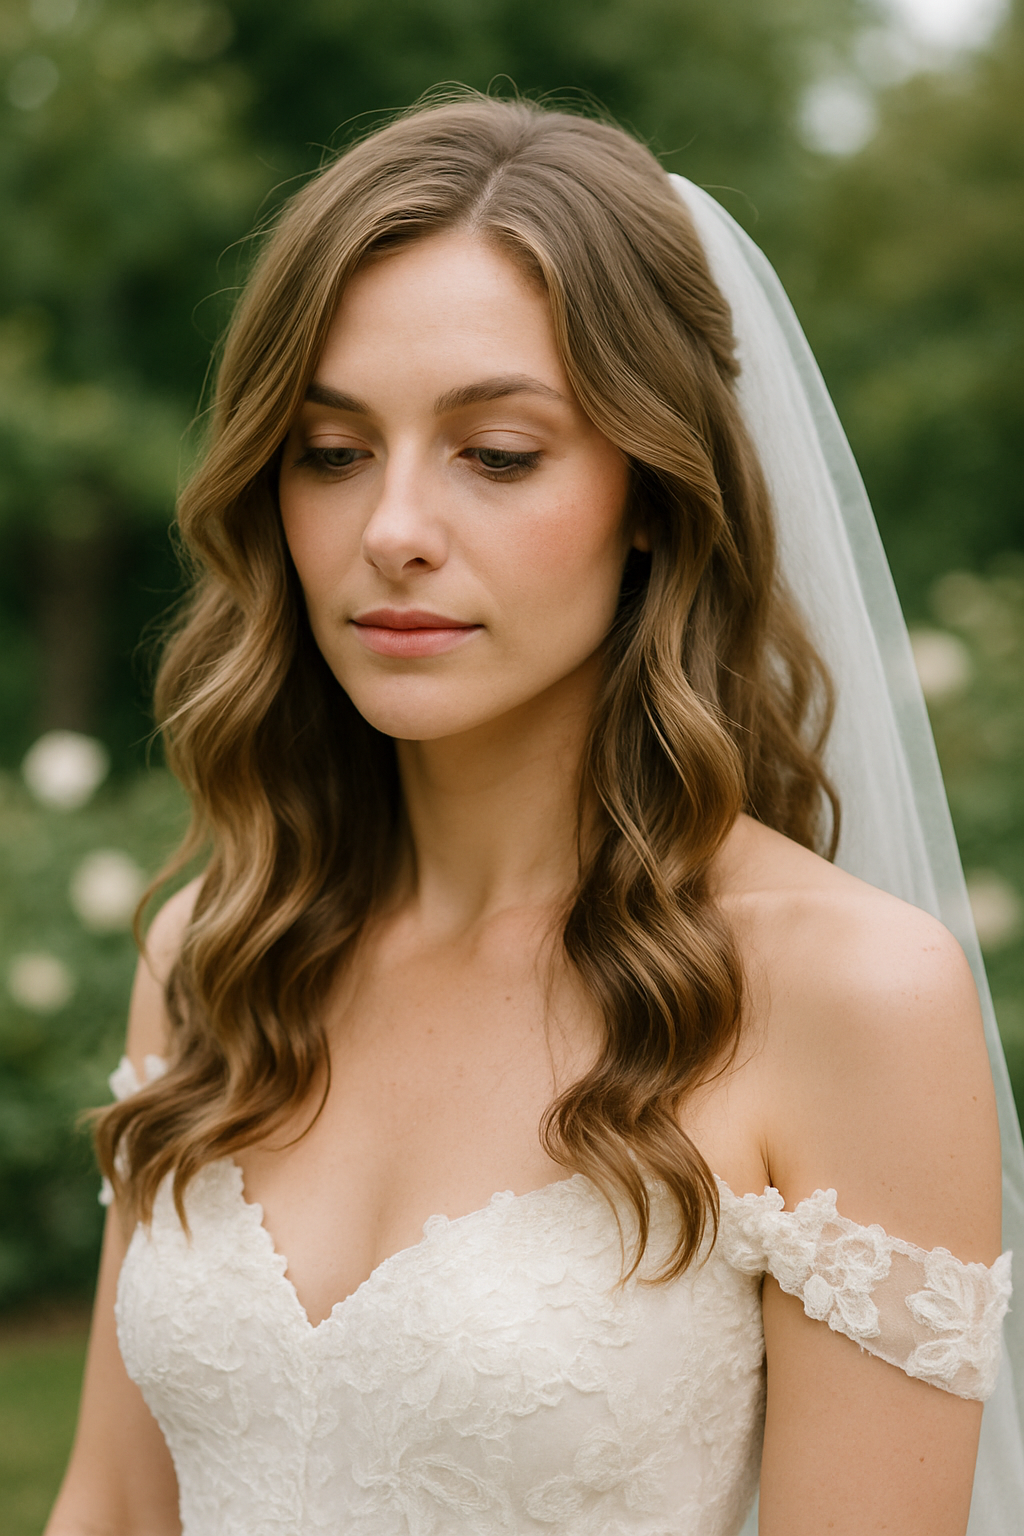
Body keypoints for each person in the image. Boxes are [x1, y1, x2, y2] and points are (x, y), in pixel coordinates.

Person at [45, 93, 1022, 1536]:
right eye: (329, 451)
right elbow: (116, 1507)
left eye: (496, 455)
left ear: (652, 492)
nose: (392, 529)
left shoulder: (851, 996)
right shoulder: (216, 953)